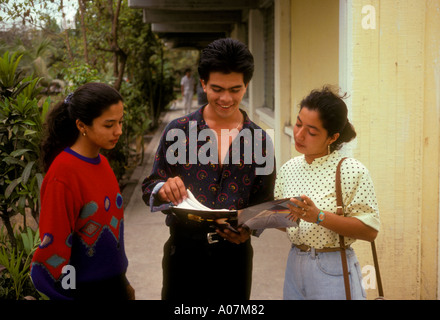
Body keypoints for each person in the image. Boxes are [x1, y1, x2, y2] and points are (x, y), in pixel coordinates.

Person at [141, 38, 276, 300]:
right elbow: (149, 187)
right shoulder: (178, 131)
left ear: (246, 85)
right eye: (217, 89)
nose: (226, 99)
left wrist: (248, 229)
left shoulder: (260, 140)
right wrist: (163, 188)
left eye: (235, 90)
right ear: (203, 84)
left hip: (235, 258)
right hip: (183, 253)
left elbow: (265, 200)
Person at [30, 82, 134, 300]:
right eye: (109, 125)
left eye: (120, 122)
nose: (119, 131)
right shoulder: (63, 176)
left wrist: (123, 282)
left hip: (115, 288)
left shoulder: (103, 164)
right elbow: (51, 257)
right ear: (81, 125)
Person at [275, 86, 380, 300]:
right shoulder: (289, 168)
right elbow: (284, 222)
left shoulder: (351, 170)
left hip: (332, 267)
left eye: (312, 132)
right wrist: (254, 218)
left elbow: (370, 231)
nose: (299, 134)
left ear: (332, 138)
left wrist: (319, 216)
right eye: (298, 124)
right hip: (294, 262)